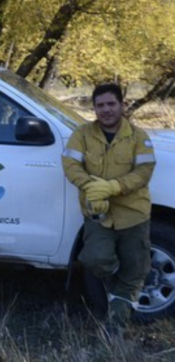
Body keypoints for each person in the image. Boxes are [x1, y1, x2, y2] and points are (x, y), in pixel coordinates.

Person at [62, 83, 155, 329]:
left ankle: (116, 327)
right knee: (96, 259)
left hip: (133, 215)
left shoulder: (139, 137)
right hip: (98, 215)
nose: (106, 110)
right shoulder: (82, 134)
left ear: (122, 105)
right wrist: (90, 186)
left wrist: (115, 187)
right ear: (94, 108)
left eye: (111, 104)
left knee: (136, 269)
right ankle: (120, 285)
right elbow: (70, 164)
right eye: (100, 105)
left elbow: (144, 171)